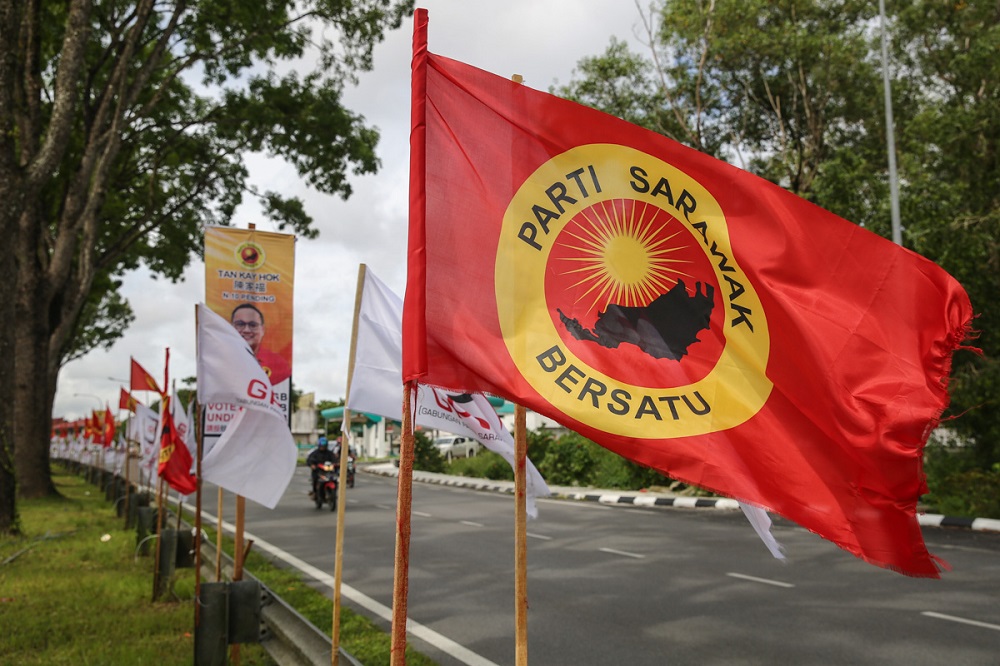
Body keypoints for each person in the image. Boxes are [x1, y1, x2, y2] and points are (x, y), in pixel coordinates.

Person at [230, 303, 291, 384]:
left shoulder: (279, 364)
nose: (246, 330)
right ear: (230, 328)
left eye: (253, 325)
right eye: (240, 324)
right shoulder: (217, 359)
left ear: (262, 330)